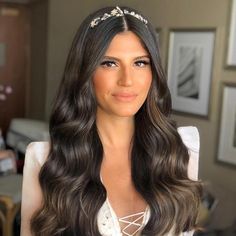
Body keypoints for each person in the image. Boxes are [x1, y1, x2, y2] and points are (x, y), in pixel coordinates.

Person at [20, 6, 202, 236]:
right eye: (109, 63)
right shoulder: (46, 161)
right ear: (84, 72)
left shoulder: (180, 151)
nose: (127, 80)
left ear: (153, 71)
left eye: (140, 63)